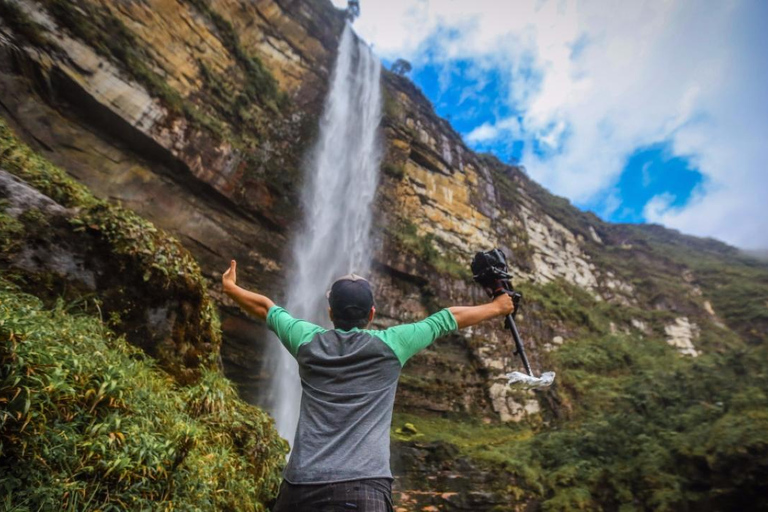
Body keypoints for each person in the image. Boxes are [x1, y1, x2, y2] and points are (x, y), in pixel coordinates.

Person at [221, 260, 514, 512]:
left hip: (301, 487)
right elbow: (447, 318)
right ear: (371, 315)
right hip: (364, 491)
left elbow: (266, 308)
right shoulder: (392, 344)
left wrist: (231, 288)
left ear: (330, 314)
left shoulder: (306, 340)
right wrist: (498, 306)